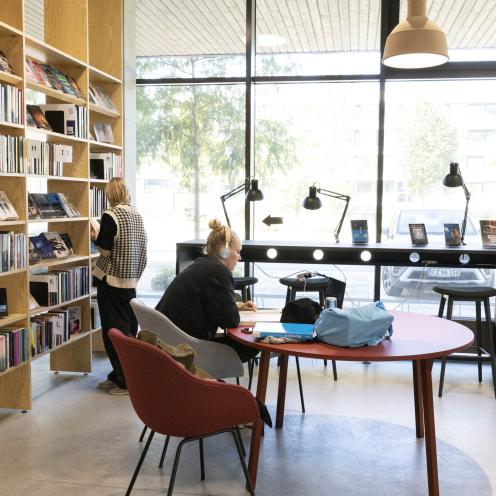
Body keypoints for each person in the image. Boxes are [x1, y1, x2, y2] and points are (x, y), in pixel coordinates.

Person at [155, 218, 258, 363]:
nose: (240, 257)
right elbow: (230, 321)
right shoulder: (219, 271)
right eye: (238, 251)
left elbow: (204, 305)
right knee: (257, 341)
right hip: (189, 350)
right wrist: (232, 310)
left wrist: (236, 305)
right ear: (225, 252)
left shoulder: (200, 264)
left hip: (169, 343)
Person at [91, 177, 147, 395]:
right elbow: (143, 244)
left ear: (109, 194)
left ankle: (125, 380)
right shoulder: (136, 214)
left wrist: (95, 235)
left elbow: (105, 250)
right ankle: (120, 375)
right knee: (129, 328)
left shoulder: (110, 215)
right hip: (131, 279)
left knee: (113, 331)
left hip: (112, 280)